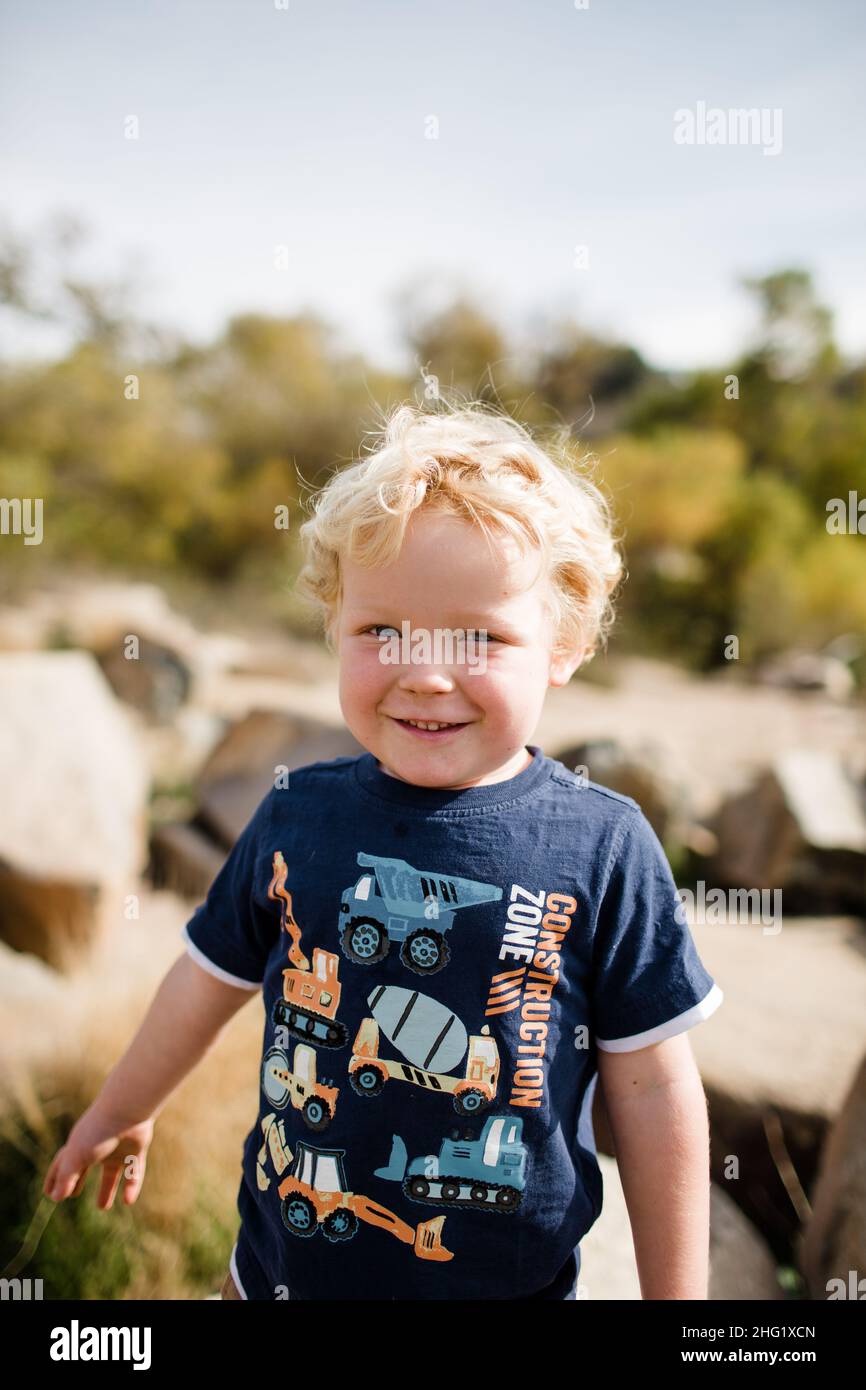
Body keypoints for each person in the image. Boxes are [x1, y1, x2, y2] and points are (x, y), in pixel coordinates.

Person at [43, 399, 723, 1301]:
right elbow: (208, 978)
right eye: (382, 631)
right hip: (277, 1280)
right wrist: (125, 1107)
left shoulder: (602, 844)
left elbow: (650, 1089)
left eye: (478, 636)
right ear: (334, 628)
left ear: (563, 645)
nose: (424, 671)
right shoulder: (296, 813)